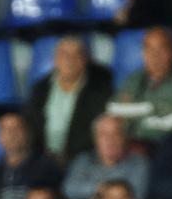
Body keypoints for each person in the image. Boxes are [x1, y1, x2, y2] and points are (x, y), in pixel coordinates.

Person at [23, 36, 111, 167]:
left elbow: (96, 129)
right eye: (64, 54)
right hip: (43, 158)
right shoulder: (40, 88)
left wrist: (68, 156)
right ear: (56, 59)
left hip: (83, 159)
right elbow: (31, 123)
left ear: (85, 59)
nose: (70, 60)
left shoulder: (100, 89)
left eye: (77, 54)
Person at [106, 25, 172, 144]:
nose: (155, 56)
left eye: (161, 49)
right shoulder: (134, 78)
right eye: (149, 49)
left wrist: (136, 111)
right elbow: (114, 109)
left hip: (168, 146)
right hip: (132, 147)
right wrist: (152, 108)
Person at [62, 114, 149, 199]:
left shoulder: (138, 163)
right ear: (95, 139)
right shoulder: (83, 160)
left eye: (115, 134)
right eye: (103, 135)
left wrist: (96, 197)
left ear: (125, 137)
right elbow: (69, 190)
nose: (110, 140)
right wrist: (99, 188)